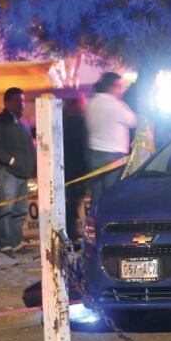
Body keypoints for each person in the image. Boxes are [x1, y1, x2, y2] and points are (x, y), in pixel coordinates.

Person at [0, 88, 36, 253]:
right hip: (7, 172)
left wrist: (32, 168)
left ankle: (15, 241)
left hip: (23, 173)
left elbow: (30, 146)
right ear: (7, 102)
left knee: (20, 209)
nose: (21, 104)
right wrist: (10, 160)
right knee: (6, 209)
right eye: (17, 101)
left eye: (22, 100)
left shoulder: (24, 123)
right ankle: (3, 243)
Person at [85, 72, 138, 209]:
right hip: (113, 156)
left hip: (94, 154)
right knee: (112, 194)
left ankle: (94, 225)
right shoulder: (115, 104)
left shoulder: (92, 102)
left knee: (96, 194)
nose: (121, 90)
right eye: (120, 86)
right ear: (113, 86)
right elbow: (133, 121)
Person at [62, 95, 88, 243]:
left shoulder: (65, 122)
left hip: (70, 167)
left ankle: (70, 232)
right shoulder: (76, 123)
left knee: (72, 202)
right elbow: (78, 146)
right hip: (75, 168)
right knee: (72, 202)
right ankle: (70, 233)